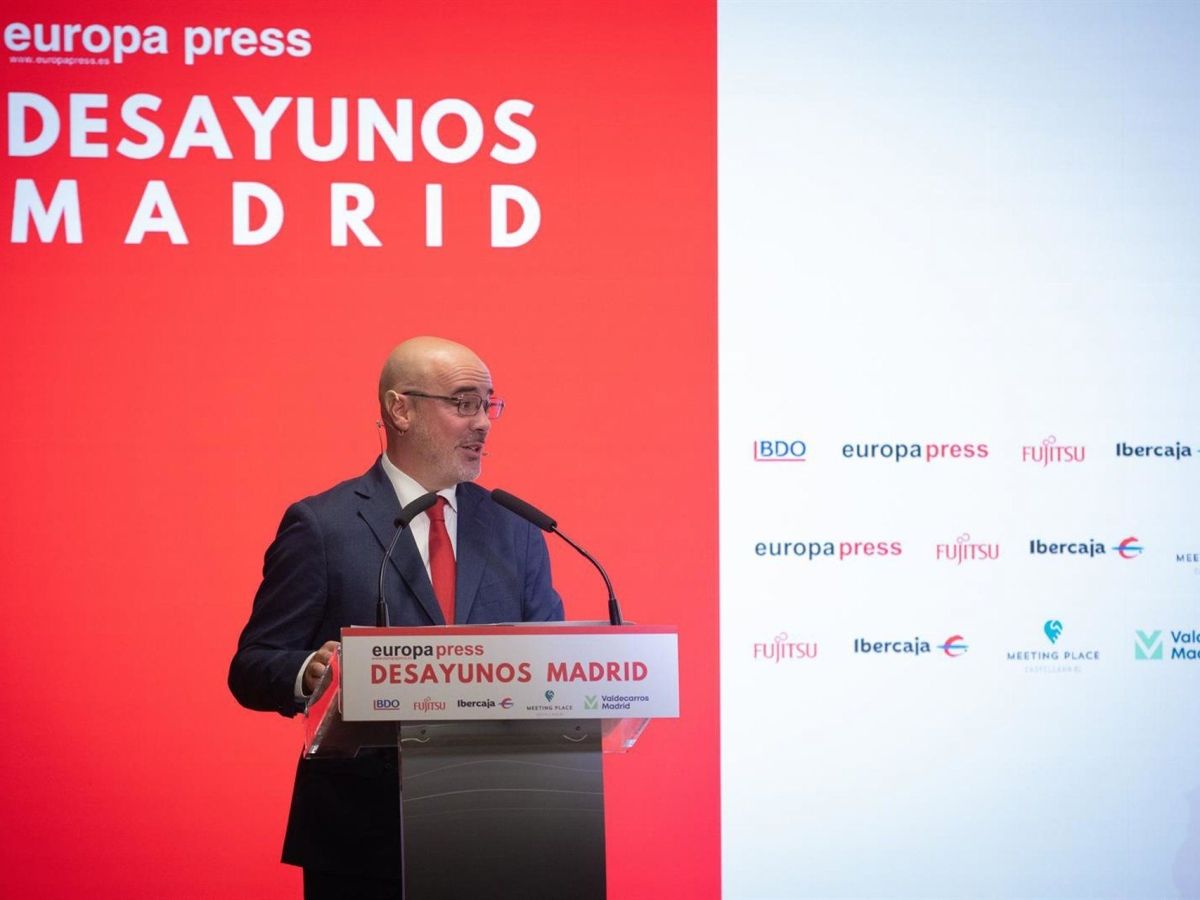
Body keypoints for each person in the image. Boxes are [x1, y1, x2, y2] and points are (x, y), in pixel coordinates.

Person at [228, 336, 564, 899]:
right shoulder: (323, 525)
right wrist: (311, 672)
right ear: (400, 409)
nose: (483, 422)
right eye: (463, 402)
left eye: (488, 404)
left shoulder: (516, 527)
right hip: (364, 840)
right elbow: (252, 665)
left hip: (501, 828)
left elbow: (552, 657)